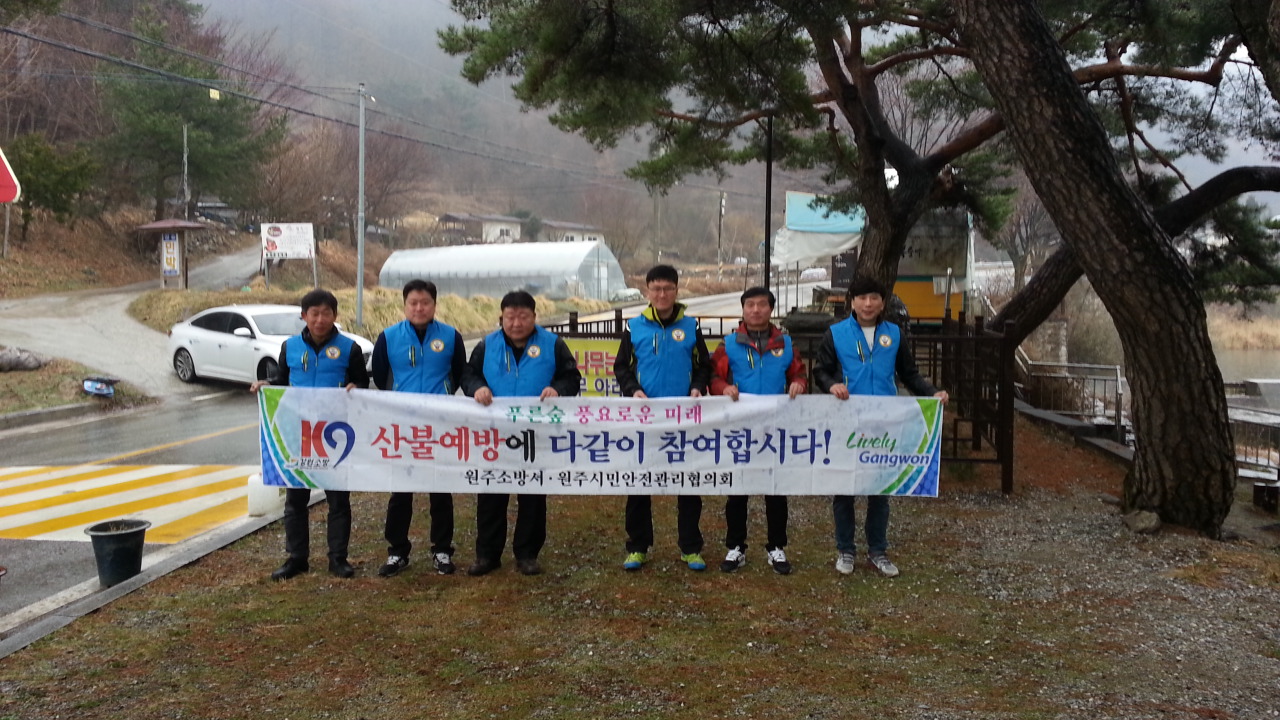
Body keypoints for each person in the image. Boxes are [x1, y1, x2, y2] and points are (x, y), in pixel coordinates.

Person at [812, 276, 948, 578]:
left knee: (880, 489)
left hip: (884, 423)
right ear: (852, 302)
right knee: (845, 488)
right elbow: (820, 371)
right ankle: (845, 549)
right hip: (847, 420)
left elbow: (909, 374)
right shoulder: (836, 334)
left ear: (882, 302)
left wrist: (932, 392)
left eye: (874, 297)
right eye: (862, 298)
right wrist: (832, 385)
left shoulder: (894, 334)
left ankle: (878, 550)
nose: (868, 304)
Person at [249, 288, 369, 581]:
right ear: (304, 316)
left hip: (334, 437)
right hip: (298, 435)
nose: (320, 319)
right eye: (314, 313)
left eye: (326, 313)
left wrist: (356, 387)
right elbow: (282, 381)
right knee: (295, 499)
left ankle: (338, 558)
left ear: (335, 316)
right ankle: (297, 558)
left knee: (338, 500)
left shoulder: (349, 348)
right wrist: (267, 385)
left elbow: (362, 383)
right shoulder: (289, 347)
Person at [461, 290, 581, 576]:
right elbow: (468, 374)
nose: (516, 323)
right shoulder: (487, 345)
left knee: (532, 495)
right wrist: (477, 387)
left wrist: (558, 389)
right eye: (510, 317)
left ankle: (527, 554)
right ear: (501, 318)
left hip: (535, 434)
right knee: (491, 493)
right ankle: (487, 555)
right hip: (495, 434)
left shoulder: (552, 344)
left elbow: (571, 377)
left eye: (523, 317)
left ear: (534, 317)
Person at [613, 264, 713, 571]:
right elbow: (621, 367)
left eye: (668, 288)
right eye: (656, 289)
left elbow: (704, 365)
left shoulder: (691, 326)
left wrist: (697, 387)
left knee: (688, 482)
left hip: (683, 418)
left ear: (676, 290)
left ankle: (690, 547)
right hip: (644, 417)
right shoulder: (634, 327)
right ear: (647, 291)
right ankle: (638, 546)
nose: (662, 294)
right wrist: (633, 390)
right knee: (639, 483)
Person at [370, 279, 469, 578]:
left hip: (439, 425)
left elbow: (460, 374)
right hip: (403, 426)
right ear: (404, 305)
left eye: (425, 302)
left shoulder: (451, 336)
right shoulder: (388, 337)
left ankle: (442, 550)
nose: (419, 308)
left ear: (434, 305)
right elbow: (380, 376)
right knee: (401, 492)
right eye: (413, 303)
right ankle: (397, 552)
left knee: (440, 490)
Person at [708, 286, 807, 575]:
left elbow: (799, 372)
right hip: (739, 428)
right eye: (749, 304)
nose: (755, 310)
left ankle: (776, 546)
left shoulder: (785, 343)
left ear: (771, 309)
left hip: (775, 428)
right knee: (737, 490)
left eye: (761, 304)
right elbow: (713, 376)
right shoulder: (729, 344)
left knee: (775, 490)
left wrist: (799, 383)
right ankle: (736, 547)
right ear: (743, 309)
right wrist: (723, 388)